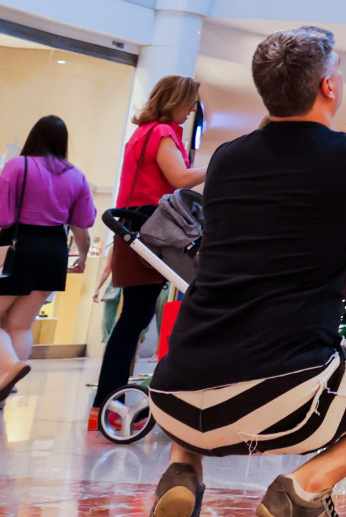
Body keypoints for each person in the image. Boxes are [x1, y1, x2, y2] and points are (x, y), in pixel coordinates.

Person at [143, 26, 346, 517]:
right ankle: (304, 487)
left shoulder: (229, 160)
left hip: (172, 400)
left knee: (220, 328)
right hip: (278, 398)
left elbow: (300, 161)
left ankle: (183, 470)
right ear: (329, 87)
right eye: (337, 69)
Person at [93, 74, 206, 432]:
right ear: (175, 100)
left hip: (134, 227)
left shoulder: (141, 134)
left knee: (135, 317)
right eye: (190, 102)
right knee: (135, 318)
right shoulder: (161, 132)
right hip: (149, 229)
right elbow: (180, 178)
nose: (191, 110)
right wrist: (224, 165)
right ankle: (107, 401)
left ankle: (110, 400)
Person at [0, 115, 94, 402]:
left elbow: (2, 217)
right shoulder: (76, 176)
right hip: (54, 251)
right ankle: (4, 391)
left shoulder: (18, 166)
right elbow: (83, 225)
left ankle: (10, 367)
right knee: (20, 324)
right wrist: (82, 257)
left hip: (17, 248)